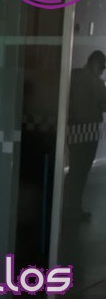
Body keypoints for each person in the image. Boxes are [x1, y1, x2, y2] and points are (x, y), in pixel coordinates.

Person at [65, 50, 106, 222]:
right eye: (103, 67)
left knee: (75, 170)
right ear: (97, 64)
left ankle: (66, 206)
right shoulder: (96, 82)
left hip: (73, 128)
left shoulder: (73, 75)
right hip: (89, 130)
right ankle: (74, 209)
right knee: (81, 172)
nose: (103, 70)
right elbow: (104, 104)